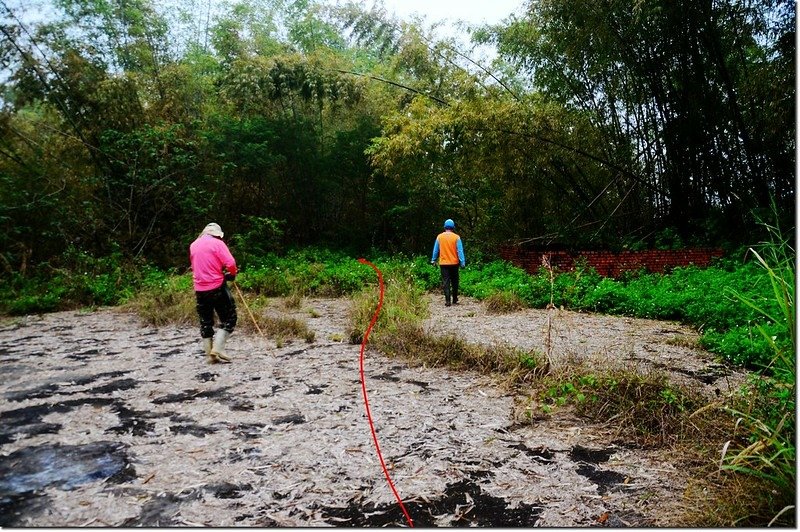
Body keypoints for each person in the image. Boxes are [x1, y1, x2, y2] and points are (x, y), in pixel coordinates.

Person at [189, 222, 238, 364]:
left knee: (206, 321)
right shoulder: (218, 244)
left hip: (200, 289)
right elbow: (231, 263)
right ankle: (218, 348)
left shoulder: (194, 245)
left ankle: (209, 355)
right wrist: (232, 274)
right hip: (216, 287)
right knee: (229, 318)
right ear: (217, 234)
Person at [430, 218, 465, 306]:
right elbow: (460, 251)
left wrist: (433, 260)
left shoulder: (439, 237)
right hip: (454, 263)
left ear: (445, 227)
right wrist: (462, 262)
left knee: (446, 282)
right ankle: (455, 299)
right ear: (453, 227)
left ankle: (447, 301)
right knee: (455, 281)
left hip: (444, 264)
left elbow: (435, 250)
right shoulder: (456, 237)